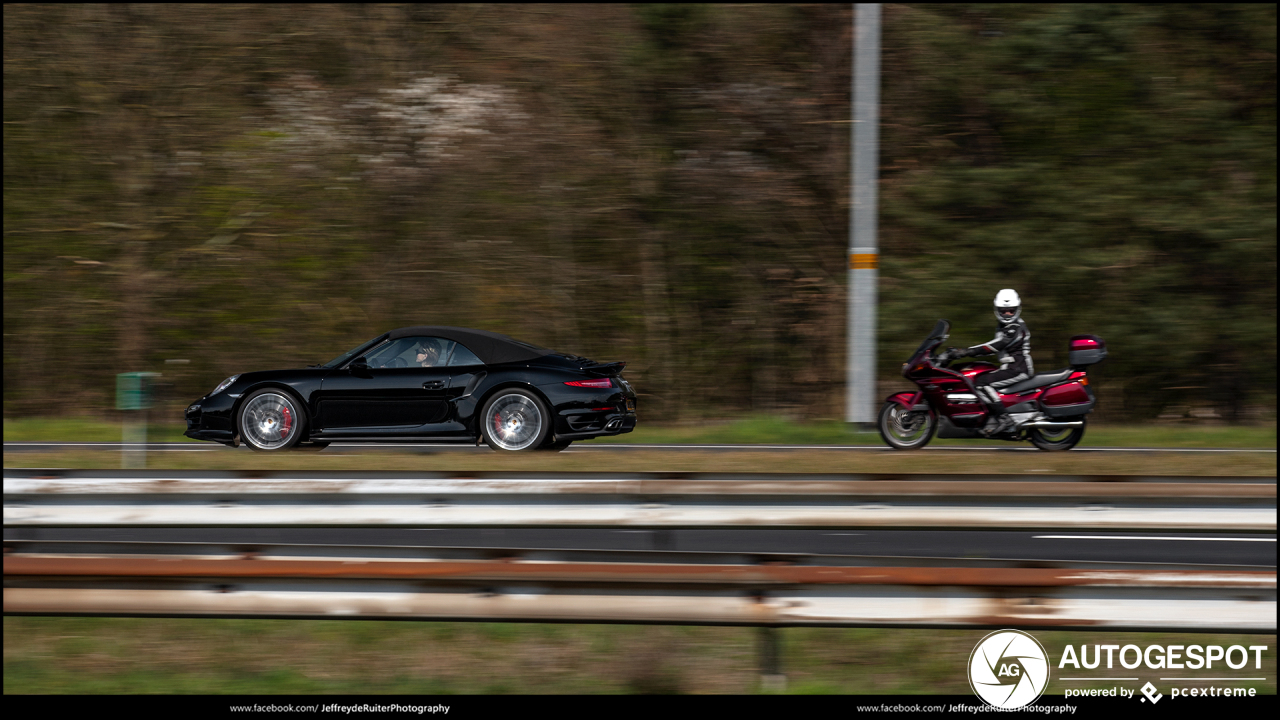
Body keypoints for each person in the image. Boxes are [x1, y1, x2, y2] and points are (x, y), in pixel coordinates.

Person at [940, 289, 1032, 436]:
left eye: (1011, 310)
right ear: (998, 310)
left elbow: (996, 345)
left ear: (1017, 309)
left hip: (1017, 368)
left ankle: (1005, 419)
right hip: (1012, 366)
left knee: (981, 382)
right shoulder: (1005, 326)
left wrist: (965, 352)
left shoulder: (1015, 328)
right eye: (1004, 311)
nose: (1007, 313)